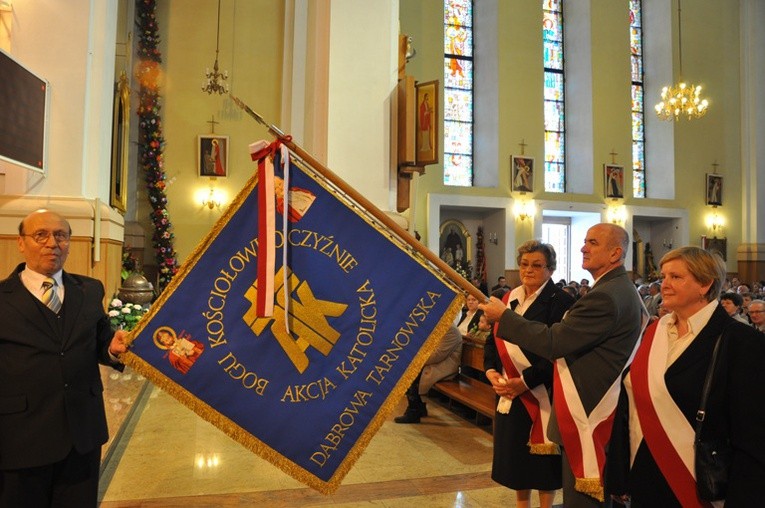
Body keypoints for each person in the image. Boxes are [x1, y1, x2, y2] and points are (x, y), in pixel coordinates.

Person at [480, 223, 647, 507]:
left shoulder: (606, 295)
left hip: (587, 410)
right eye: (584, 241)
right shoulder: (613, 288)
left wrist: (504, 318)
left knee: (582, 500)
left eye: (592, 242)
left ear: (615, 253)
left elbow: (556, 342)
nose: (583, 247)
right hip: (584, 407)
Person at [606, 247, 765, 506]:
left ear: (705, 284)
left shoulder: (741, 341)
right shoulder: (655, 331)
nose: (664, 284)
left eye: (676, 277)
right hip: (644, 472)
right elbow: (630, 405)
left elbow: (752, 436)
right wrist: (619, 472)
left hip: (700, 483)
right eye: (664, 276)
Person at [0, 209, 128, 507]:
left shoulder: (89, 289)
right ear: (21, 243)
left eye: (61, 235)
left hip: (82, 434)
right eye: (40, 235)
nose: (52, 243)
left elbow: (100, 339)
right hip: (21, 436)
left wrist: (113, 346)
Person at [484, 240, 575, 508]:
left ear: (551, 269)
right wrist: (491, 371)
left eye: (537, 265)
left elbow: (559, 351)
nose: (529, 270)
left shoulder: (561, 302)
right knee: (516, 458)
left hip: (542, 391)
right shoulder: (507, 299)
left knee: (544, 463)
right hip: (509, 393)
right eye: (524, 264)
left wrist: (524, 382)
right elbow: (493, 339)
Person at [394, 324, 463, 424]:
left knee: (411, 373)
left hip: (445, 367)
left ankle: (413, 412)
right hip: (435, 364)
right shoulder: (438, 326)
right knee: (409, 369)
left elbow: (438, 355)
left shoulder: (450, 330)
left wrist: (416, 360)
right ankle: (419, 407)